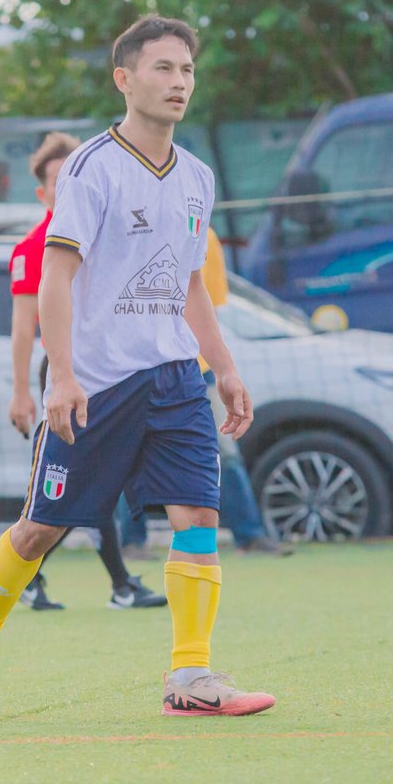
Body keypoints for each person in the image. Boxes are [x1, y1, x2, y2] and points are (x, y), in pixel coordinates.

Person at [0, 15, 275, 721]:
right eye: (163, 68)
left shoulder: (198, 177)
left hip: (176, 379)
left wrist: (225, 368)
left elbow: (189, 284)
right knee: (39, 530)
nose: (179, 82)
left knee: (198, 515)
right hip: (97, 387)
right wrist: (61, 376)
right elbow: (55, 277)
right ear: (124, 78)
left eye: (187, 69)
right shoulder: (92, 167)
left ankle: (190, 675)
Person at [7, 132, 165, 612]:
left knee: (98, 480)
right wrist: (22, 391)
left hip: (118, 369)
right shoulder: (33, 249)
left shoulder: (112, 231)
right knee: (79, 481)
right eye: (59, 181)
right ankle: (107, 582)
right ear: (43, 194)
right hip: (68, 372)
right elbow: (23, 326)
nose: (72, 186)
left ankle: (97, 582)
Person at [119, 227, 291, 558]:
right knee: (131, 454)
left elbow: (206, 301)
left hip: (197, 370)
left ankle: (250, 536)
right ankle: (131, 542)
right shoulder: (133, 226)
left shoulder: (203, 233)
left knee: (225, 451)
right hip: (140, 369)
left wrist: (224, 367)